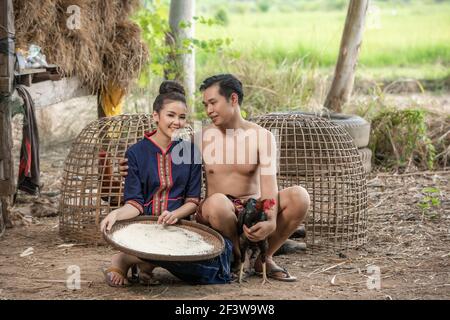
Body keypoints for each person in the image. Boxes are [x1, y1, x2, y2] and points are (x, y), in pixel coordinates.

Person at [121, 74, 310, 282]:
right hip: (216, 214)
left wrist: (271, 220)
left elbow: (269, 187)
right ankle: (236, 258)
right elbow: (164, 162)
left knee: (299, 196)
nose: (209, 110)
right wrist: (131, 167)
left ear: (233, 99)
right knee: (218, 202)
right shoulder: (199, 139)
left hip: (252, 210)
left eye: (213, 103)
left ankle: (264, 258)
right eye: (205, 105)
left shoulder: (262, 137)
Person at [100, 81, 232, 287]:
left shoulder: (191, 152)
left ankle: (139, 261)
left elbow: (192, 201)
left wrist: (176, 214)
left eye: (181, 117)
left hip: (177, 227)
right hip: (143, 226)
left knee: (216, 272)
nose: (176, 122)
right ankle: (126, 259)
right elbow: (134, 204)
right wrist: (115, 214)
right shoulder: (136, 153)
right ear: (156, 116)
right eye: (170, 115)